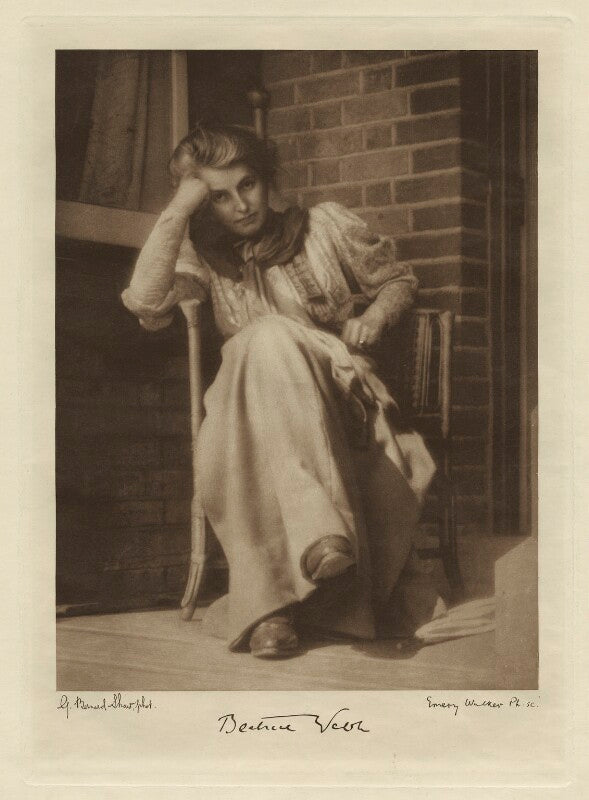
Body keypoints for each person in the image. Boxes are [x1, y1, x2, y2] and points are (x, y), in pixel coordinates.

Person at [122, 122, 443, 659]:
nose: (240, 205)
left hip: (340, 399)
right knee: (253, 361)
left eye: (247, 184)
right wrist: (180, 208)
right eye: (219, 196)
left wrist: (375, 318)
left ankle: (268, 605)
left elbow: (398, 279)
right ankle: (309, 558)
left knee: (265, 335)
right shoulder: (203, 257)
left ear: (267, 180)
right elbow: (147, 304)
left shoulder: (323, 226)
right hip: (252, 414)